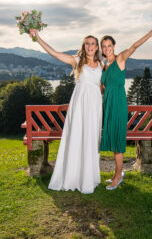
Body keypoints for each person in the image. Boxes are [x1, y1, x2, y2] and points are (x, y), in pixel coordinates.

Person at [29, 29, 103, 194]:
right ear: (84, 46)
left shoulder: (102, 64)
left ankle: (88, 178)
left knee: (91, 138)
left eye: (93, 43)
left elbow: (104, 85)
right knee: (77, 136)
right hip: (79, 104)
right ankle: (72, 176)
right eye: (87, 43)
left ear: (97, 47)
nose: (90, 46)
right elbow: (55, 54)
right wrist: (37, 37)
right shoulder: (77, 61)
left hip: (95, 105)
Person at [100, 21, 152, 190]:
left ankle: (119, 176)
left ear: (113, 46)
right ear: (102, 49)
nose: (107, 49)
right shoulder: (104, 66)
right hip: (108, 106)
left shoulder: (120, 59)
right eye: (104, 46)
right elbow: (102, 88)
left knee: (118, 142)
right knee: (113, 139)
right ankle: (116, 173)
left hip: (118, 105)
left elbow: (134, 46)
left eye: (109, 45)